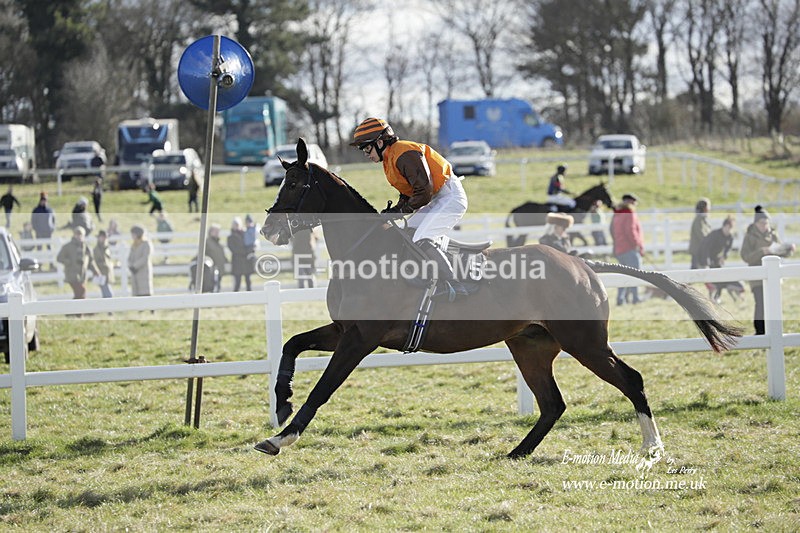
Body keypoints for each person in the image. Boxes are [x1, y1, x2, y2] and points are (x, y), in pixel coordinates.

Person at [351, 117, 469, 298]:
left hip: (450, 197)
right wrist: (396, 209)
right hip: (437, 198)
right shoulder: (390, 158)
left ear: (380, 142)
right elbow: (409, 192)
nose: (366, 154)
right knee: (406, 233)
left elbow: (424, 192)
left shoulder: (404, 153)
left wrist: (400, 211)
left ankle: (454, 284)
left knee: (422, 238)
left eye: (367, 148)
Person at [740, 206, 795, 335]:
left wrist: (788, 250)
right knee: (760, 304)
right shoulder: (750, 236)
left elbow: (780, 251)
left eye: (766, 223)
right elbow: (745, 256)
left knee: (773, 303)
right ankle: (760, 330)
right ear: (756, 223)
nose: (765, 225)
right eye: (762, 223)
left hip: (773, 276)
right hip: (757, 277)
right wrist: (762, 252)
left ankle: (774, 330)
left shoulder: (773, 235)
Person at [610, 193, 644, 305]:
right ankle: (635, 298)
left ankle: (621, 298)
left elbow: (612, 230)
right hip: (629, 248)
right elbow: (631, 231)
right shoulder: (629, 213)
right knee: (635, 274)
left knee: (623, 274)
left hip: (619, 248)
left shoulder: (617, 214)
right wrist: (637, 245)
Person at [698, 216, 740, 302]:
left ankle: (717, 297)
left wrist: (724, 256)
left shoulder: (730, 237)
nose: (729, 230)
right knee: (708, 278)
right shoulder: (715, 234)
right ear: (724, 226)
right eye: (728, 227)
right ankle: (710, 296)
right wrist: (706, 262)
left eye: (731, 228)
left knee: (720, 277)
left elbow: (728, 249)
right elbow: (706, 248)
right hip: (705, 256)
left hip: (716, 258)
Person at [57, 226, 97, 300]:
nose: (79, 236)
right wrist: (68, 262)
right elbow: (59, 258)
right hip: (72, 274)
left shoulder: (86, 247)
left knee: (80, 295)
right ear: (74, 235)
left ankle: (75, 307)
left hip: (82, 275)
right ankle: (79, 307)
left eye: (81, 234)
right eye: (77, 234)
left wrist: (96, 271)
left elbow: (91, 261)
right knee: (82, 291)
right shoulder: (67, 246)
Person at [227, 217, 253, 291]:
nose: (236, 226)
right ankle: (235, 296)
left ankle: (250, 295)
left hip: (246, 261)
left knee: (248, 281)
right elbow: (234, 249)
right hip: (237, 262)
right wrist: (245, 251)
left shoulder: (246, 234)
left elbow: (250, 245)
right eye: (235, 224)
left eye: (237, 224)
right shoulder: (230, 237)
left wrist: (249, 251)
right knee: (237, 282)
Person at [128, 225, 153, 297]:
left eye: (133, 234)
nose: (132, 236)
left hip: (143, 272)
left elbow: (145, 258)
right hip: (134, 273)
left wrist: (135, 266)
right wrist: (130, 265)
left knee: (145, 293)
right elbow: (130, 258)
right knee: (136, 295)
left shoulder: (146, 244)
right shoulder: (133, 245)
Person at [205, 223, 228, 291]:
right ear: (211, 232)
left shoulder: (219, 244)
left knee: (217, 288)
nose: (218, 233)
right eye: (216, 231)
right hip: (211, 271)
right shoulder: (207, 243)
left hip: (219, 270)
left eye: (218, 231)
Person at [689, 198, 711, 269]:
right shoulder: (699, 220)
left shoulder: (702, 220)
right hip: (698, 253)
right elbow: (702, 236)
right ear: (704, 208)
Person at [93, 230, 114, 299]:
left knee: (106, 295)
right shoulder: (96, 249)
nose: (103, 239)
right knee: (108, 295)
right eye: (102, 237)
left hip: (108, 274)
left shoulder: (107, 248)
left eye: (105, 237)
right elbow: (96, 262)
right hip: (101, 274)